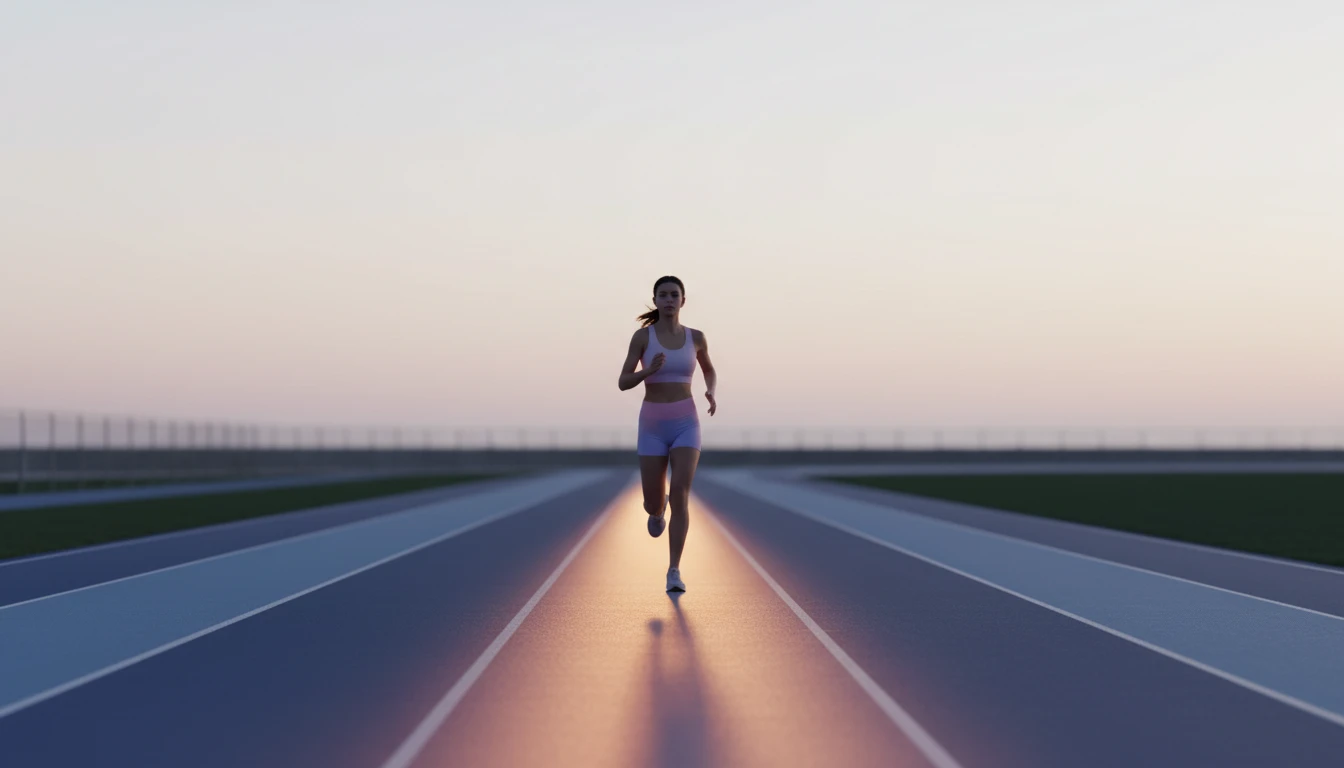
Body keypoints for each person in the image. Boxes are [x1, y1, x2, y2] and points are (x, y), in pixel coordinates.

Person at [617, 276, 717, 592]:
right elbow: (623, 381)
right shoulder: (643, 337)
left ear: (683, 301)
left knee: (681, 493)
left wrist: (711, 391)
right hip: (653, 425)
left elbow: (709, 369)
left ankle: (674, 570)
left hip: (686, 421)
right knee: (653, 501)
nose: (669, 300)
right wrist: (648, 370)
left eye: (674, 295)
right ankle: (656, 511)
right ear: (656, 301)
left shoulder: (696, 337)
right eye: (663, 295)